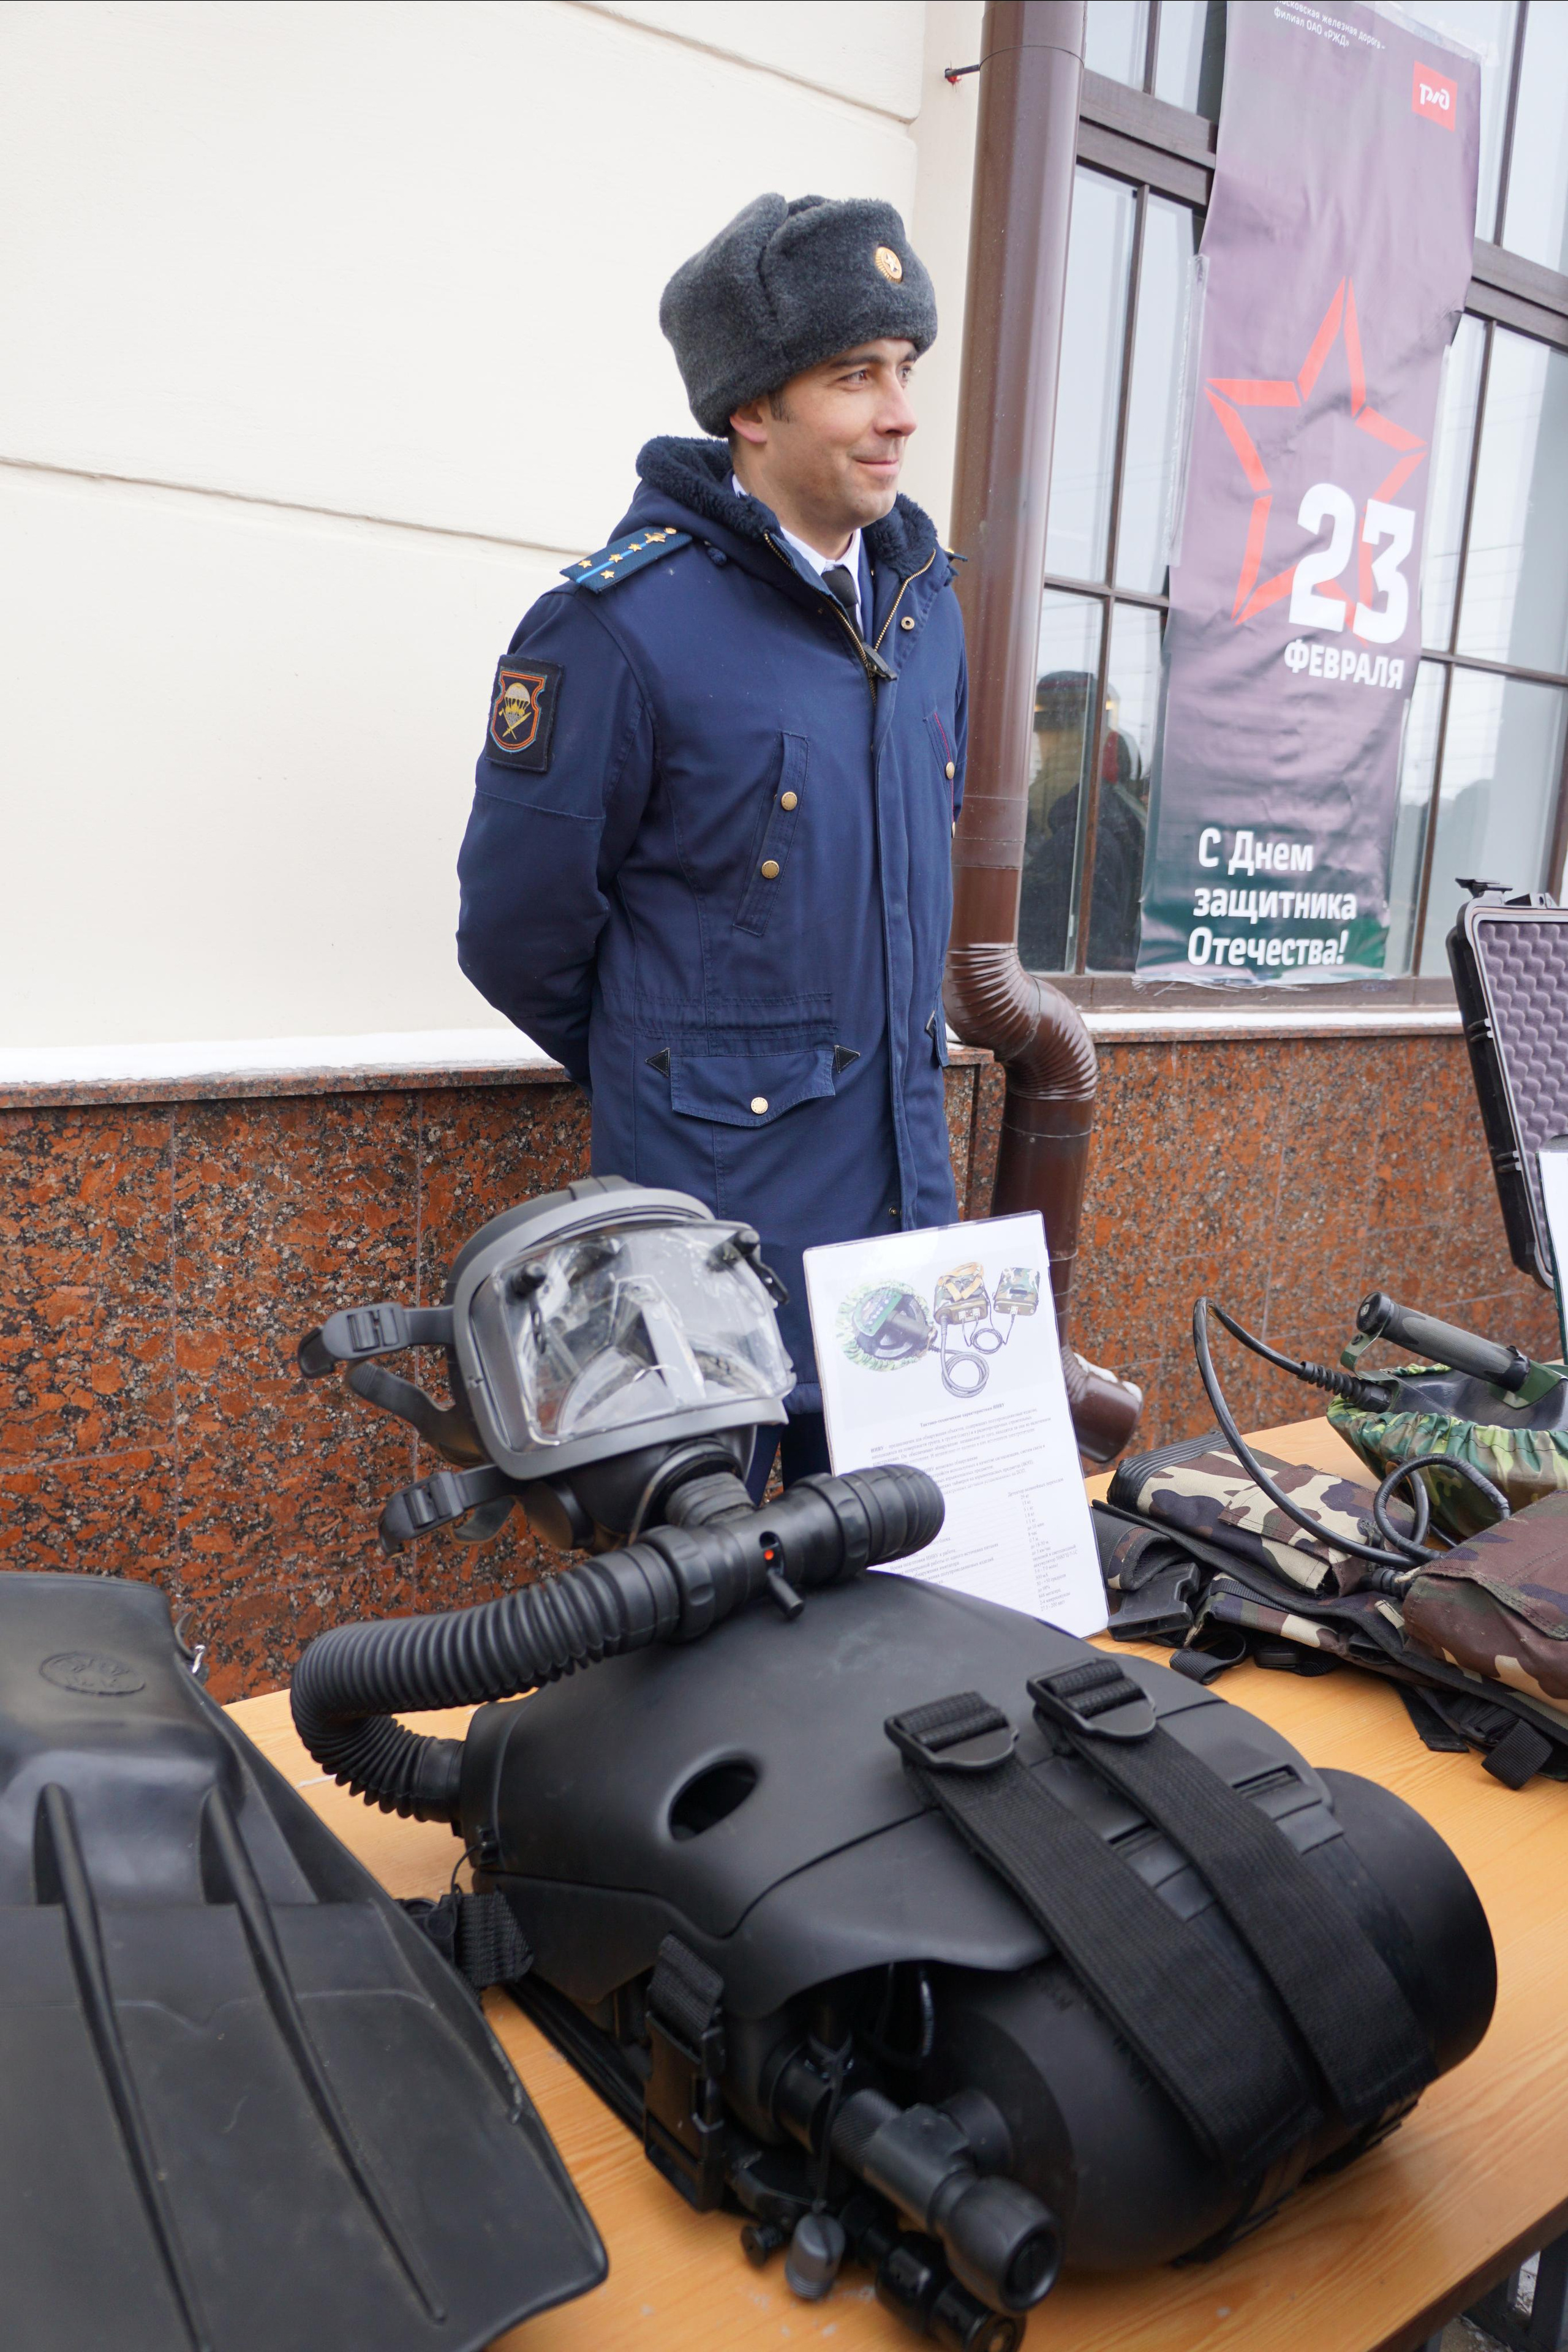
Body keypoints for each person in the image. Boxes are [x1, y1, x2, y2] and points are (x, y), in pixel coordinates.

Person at [456, 193, 967, 1494]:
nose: (899, 412)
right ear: (750, 410)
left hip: (902, 1235)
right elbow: (518, 931)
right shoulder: (616, 626)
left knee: (904, 1628)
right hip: (715, 1257)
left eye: (902, 372)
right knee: (719, 1632)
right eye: (855, 377)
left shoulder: (921, 612)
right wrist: (670, 1071)